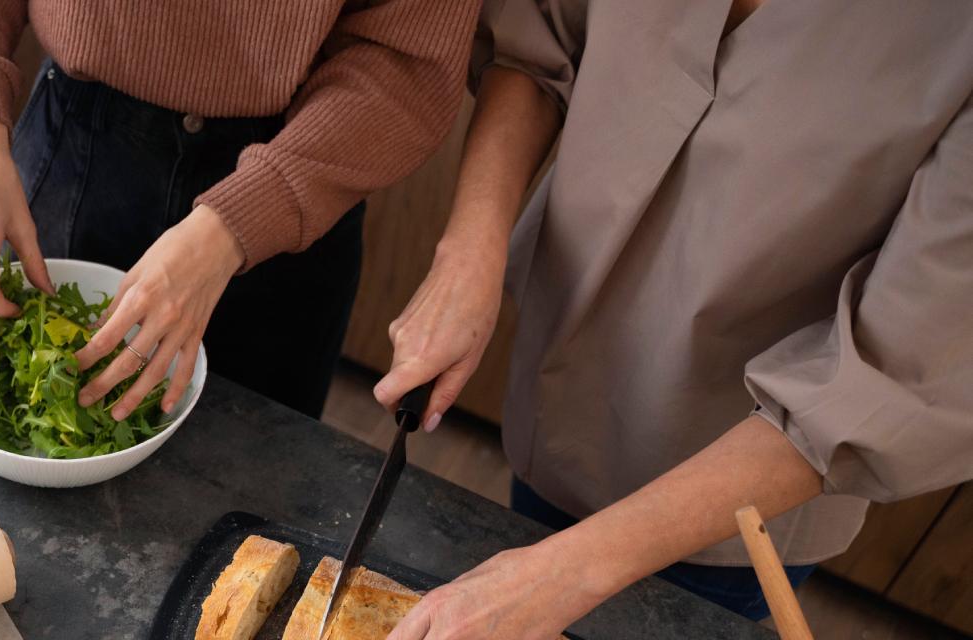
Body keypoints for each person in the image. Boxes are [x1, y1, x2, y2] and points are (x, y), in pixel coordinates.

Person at [372, 1, 973, 637]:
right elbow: (541, 31)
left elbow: (899, 374)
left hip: (742, 487)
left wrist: (565, 574)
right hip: (560, 391)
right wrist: (470, 247)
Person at [0, 0, 481, 420]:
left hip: (298, 176)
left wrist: (238, 223)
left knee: (251, 503)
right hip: (75, 141)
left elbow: (406, 58)